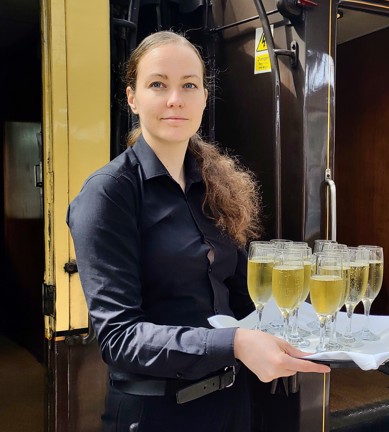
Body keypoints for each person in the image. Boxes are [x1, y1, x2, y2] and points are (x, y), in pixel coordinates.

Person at [67, 30, 329, 432]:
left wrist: (338, 333)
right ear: (132, 98)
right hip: (157, 415)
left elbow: (244, 300)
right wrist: (235, 343)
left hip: (231, 404)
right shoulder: (109, 194)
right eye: (158, 84)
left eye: (189, 85)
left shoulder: (213, 185)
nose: (176, 99)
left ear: (204, 98)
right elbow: (119, 339)